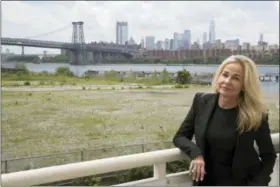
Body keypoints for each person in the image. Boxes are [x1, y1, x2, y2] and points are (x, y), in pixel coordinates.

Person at [173, 55, 277, 186]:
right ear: (218, 76)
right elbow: (180, 136)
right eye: (225, 75)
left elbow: (268, 156)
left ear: (245, 85)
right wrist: (196, 153)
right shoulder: (201, 101)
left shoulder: (255, 114)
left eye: (236, 78)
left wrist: (258, 184)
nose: (227, 81)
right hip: (206, 182)